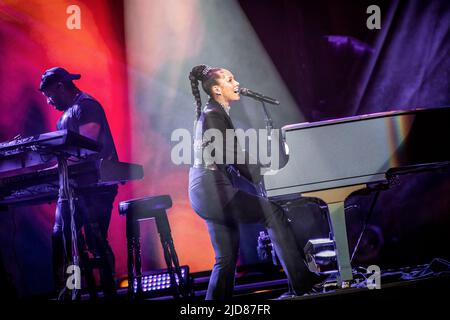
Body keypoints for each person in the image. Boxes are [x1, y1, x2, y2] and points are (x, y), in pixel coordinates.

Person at [188, 64, 317, 300]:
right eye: (229, 79)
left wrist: (257, 171)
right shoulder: (214, 115)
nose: (236, 83)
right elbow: (233, 156)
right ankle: (303, 284)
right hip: (211, 189)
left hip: (203, 192)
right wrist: (264, 172)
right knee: (273, 213)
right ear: (217, 89)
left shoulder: (213, 112)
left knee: (225, 258)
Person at [39, 67, 118, 299]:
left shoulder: (87, 106)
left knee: (95, 242)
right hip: (73, 187)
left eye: (49, 95)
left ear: (60, 87)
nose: (48, 101)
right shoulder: (64, 117)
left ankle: (109, 293)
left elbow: (88, 149)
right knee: (61, 238)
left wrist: (57, 167)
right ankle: (69, 293)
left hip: (96, 186)